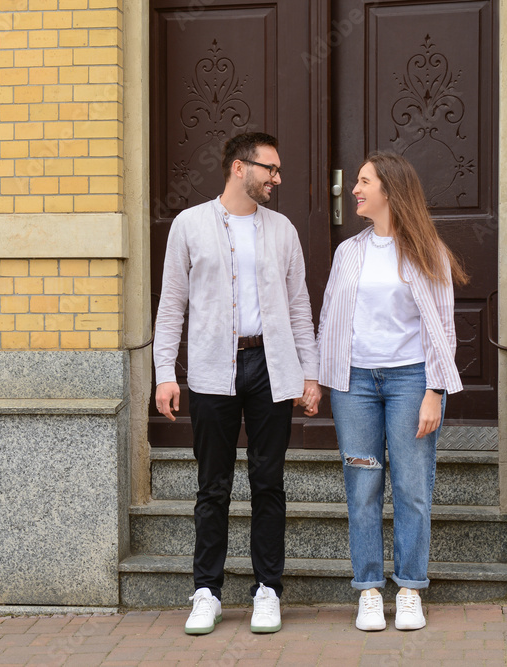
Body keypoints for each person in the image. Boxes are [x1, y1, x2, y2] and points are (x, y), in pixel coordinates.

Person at [153, 132, 321, 635]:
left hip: (271, 366)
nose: (276, 178)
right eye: (269, 168)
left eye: (277, 170)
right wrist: (165, 373)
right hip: (210, 369)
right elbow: (172, 305)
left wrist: (309, 373)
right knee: (213, 486)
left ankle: (268, 589)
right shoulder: (189, 225)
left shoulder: (283, 230)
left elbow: (297, 307)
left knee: (268, 482)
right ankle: (207, 591)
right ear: (237, 167)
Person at [317, 151, 468, 632]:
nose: (354, 189)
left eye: (363, 182)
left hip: (409, 382)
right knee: (363, 486)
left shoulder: (429, 252)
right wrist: (318, 378)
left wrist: (434, 392)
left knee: (411, 487)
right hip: (355, 385)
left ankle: (408, 589)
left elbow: (443, 328)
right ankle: (367, 590)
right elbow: (330, 319)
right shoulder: (348, 252)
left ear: (390, 190)